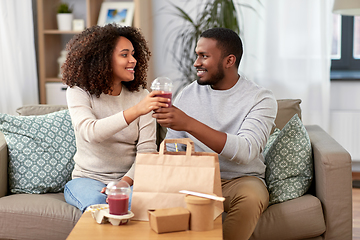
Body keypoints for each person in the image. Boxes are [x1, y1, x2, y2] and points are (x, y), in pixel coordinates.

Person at [153, 27, 277, 240]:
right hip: (195, 176)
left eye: (204, 56)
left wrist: (189, 124)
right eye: (196, 55)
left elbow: (246, 150)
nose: (196, 63)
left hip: (239, 180)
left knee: (252, 197)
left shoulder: (261, 99)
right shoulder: (189, 93)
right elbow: (173, 146)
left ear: (229, 61)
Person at [61, 24, 169, 213]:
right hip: (86, 180)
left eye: (133, 54)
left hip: (130, 180)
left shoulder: (142, 96)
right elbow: (90, 132)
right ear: (102, 59)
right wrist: (136, 111)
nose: (133, 60)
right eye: (124, 54)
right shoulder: (78, 92)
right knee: (98, 203)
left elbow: (147, 151)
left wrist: (124, 183)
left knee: (134, 203)